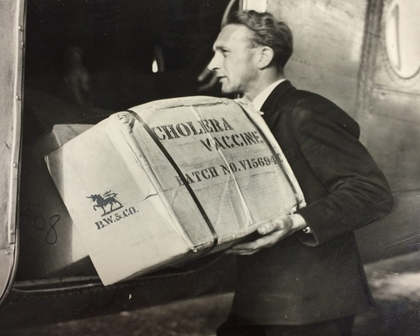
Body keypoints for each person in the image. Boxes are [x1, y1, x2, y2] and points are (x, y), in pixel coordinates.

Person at [207, 10, 393, 336]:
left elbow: (372, 192)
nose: (212, 64)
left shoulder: (305, 111)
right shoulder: (242, 116)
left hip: (313, 306)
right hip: (263, 298)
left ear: (263, 56)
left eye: (223, 52)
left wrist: (294, 223)